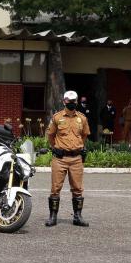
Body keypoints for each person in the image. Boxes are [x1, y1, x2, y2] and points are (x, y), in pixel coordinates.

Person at [46, 90, 91, 227]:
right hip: (60, 158)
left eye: (73, 102)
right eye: (68, 101)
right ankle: (53, 217)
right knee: (55, 188)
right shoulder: (57, 117)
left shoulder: (82, 118)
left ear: (76, 102)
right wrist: (56, 148)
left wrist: (77, 146)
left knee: (77, 188)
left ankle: (77, 217)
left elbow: (84, 135)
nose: (71, 104)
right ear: (64, 101)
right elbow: (51, 135)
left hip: (76, 158)